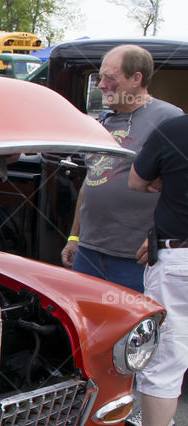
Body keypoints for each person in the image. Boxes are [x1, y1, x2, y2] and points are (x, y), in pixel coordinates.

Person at [61, 44, 181, 293]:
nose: (101, 85)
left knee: (132, 318)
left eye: (110, 78)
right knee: (84, 315)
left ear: (136, 78)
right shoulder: (103, 121)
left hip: (136, 256)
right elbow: (92, 180)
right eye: (100, 77)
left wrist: (160, 237)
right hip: (89, 252)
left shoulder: (168, 118)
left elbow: (181, 189)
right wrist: (75, 237)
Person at [127, 114, 188, 426]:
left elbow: (137, 182)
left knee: (165, 363)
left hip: (179, 257)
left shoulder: (175, 128)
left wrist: (167, 182)